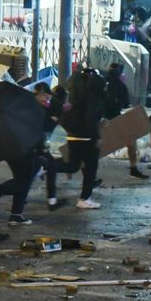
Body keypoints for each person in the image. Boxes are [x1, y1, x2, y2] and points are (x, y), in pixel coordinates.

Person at [46, 68, 104, 209]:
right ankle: (85, 198)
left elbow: (65, 118)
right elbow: (91, 119)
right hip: (87, 139)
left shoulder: (73, 97)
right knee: (91, 168)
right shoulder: (94, 99)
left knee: (72, 165)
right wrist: (96, 136)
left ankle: (46, 166)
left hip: (73, 137)